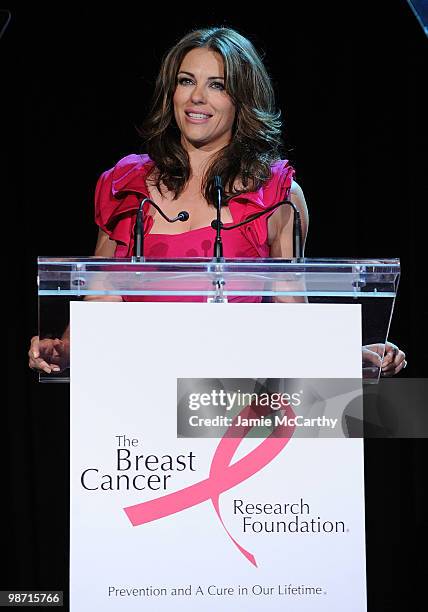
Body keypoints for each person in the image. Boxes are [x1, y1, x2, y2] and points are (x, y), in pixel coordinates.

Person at [28, 26, 406, 375]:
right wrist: (62, 350)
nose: (197, 97)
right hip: (138, 398)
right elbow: (99, 307)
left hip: (234, 401)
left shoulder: (277, 194)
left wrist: (347, 353)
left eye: (217, 85)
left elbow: (292, 318)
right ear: (170, 92)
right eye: (186, 81)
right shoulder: (125, 187)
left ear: (242, 99)